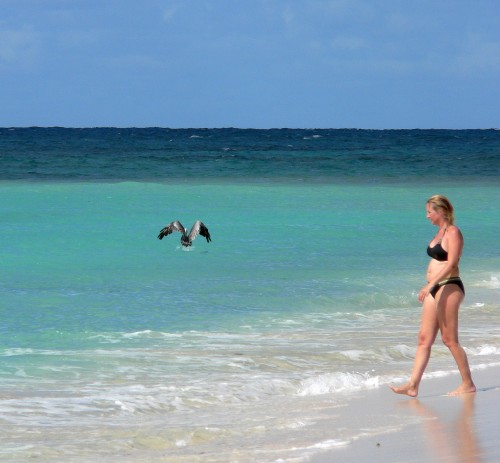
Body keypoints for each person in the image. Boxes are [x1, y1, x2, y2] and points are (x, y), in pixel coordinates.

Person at [391, 195, 476, 397]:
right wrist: (431, 285)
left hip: (449, 285)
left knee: (449, 339)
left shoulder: (453, 232)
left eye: (429, 211)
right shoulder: (438, 233)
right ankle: (413, 385)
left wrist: (431, 283)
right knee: (424, 339)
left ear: (441, 211)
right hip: (435, 287)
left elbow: (452, 263)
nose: (427, 216)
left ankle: (468, 383)